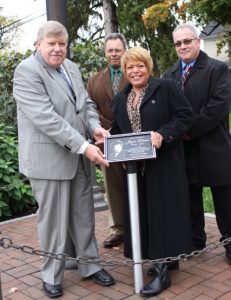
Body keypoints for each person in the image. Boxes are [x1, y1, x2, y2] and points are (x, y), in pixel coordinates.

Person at [13, 21, 115, 298]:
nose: (58, 49)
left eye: (62, 44)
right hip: (49, 160)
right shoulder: (27, 71)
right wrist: (84, 146)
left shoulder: (72, 68)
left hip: (80, 156)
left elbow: (86, 105)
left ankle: (90, 266)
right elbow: (47, 119)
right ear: (38, 44)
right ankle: (51, 274)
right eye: (52, 44)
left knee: (84, 216)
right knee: (53, 222)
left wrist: (94, 126)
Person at [111, 46, 193, 297]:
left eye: (140, 66)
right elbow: (117, 129)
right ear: (125, 71)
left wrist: (163, 134)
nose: (135, 71)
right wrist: (115, 150)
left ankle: (162, 272)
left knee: (162, 215)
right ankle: (161, 259)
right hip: (136, 169)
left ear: (149, 67)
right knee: (144, 213)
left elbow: (185, 116)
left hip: (164, 164)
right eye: (130, 67)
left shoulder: (165, 88)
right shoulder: (120, 98)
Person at [163, 23, 231, 264]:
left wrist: (187, 130)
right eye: (178, 43)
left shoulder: (218, 69)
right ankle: (195, 242)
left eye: (187, 41)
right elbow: (166, 110)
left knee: (225, 202)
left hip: (214, 147)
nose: (183, 46)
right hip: (184, 151)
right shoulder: (169, 75)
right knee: (190, 200)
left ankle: (230, 244)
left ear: (198, 42)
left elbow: (218, 107)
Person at [87, 33, 128, 248]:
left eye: (117, 50)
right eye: (110, 50)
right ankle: (118, 229)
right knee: (112, 187)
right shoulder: (94, 80)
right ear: (105, 53)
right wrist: (105, 128)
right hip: (106, 140)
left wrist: (120, 127)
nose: (114, 54)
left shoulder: (134, 72)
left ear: (124, 51)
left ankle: (138, 226)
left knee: (135, 182)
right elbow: (89, 108)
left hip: (131, 139)